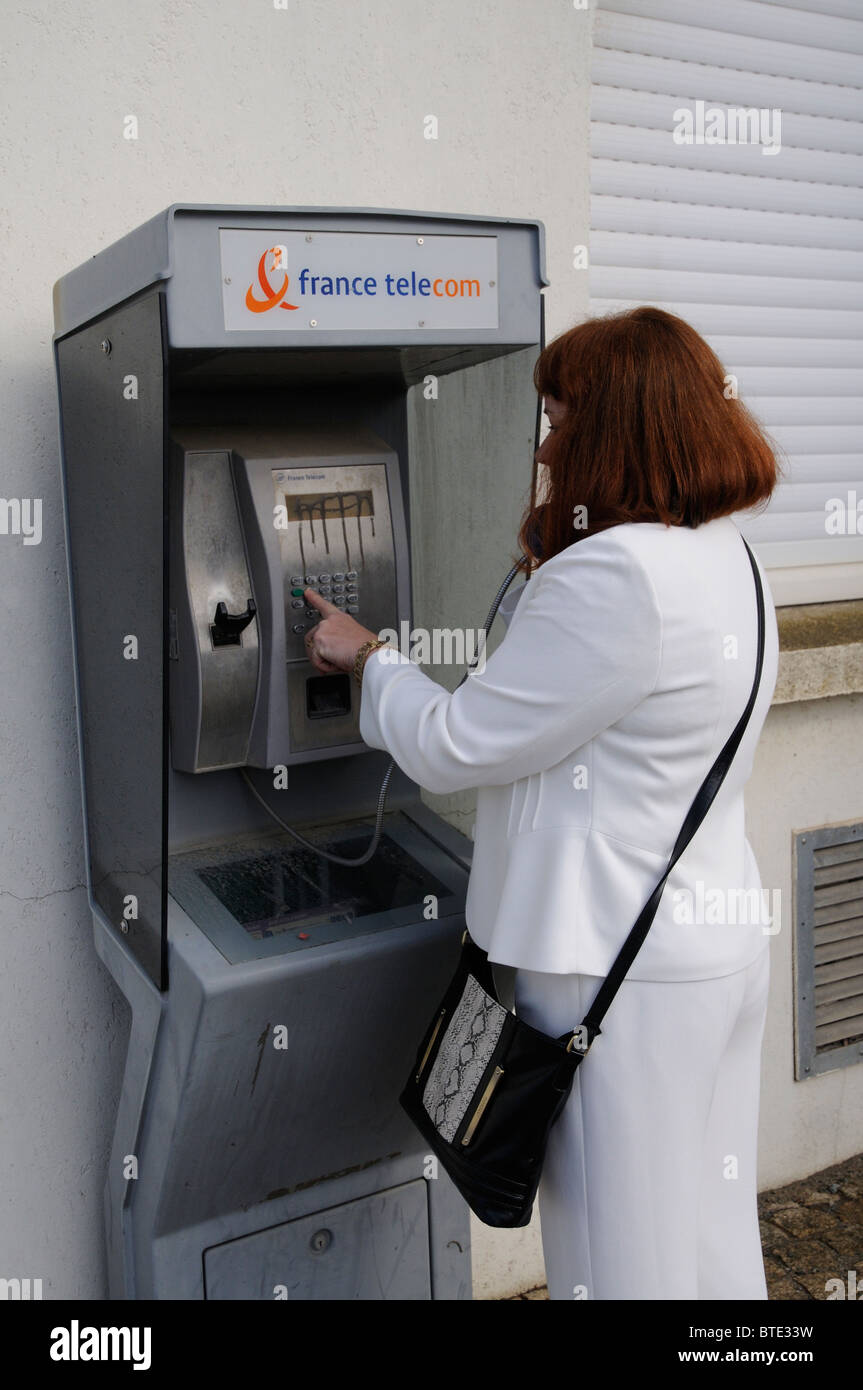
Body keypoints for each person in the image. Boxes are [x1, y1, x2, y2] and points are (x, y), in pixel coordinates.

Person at [303, 305, 780, 1301]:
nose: (545, 441)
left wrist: (368, 658)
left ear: (613, 430)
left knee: (617, 1261)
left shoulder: (615, 574)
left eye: (560, 417)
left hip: (610, 966)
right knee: (703, 1233)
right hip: (707, 950)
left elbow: (457, 743)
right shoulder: (725, 554)